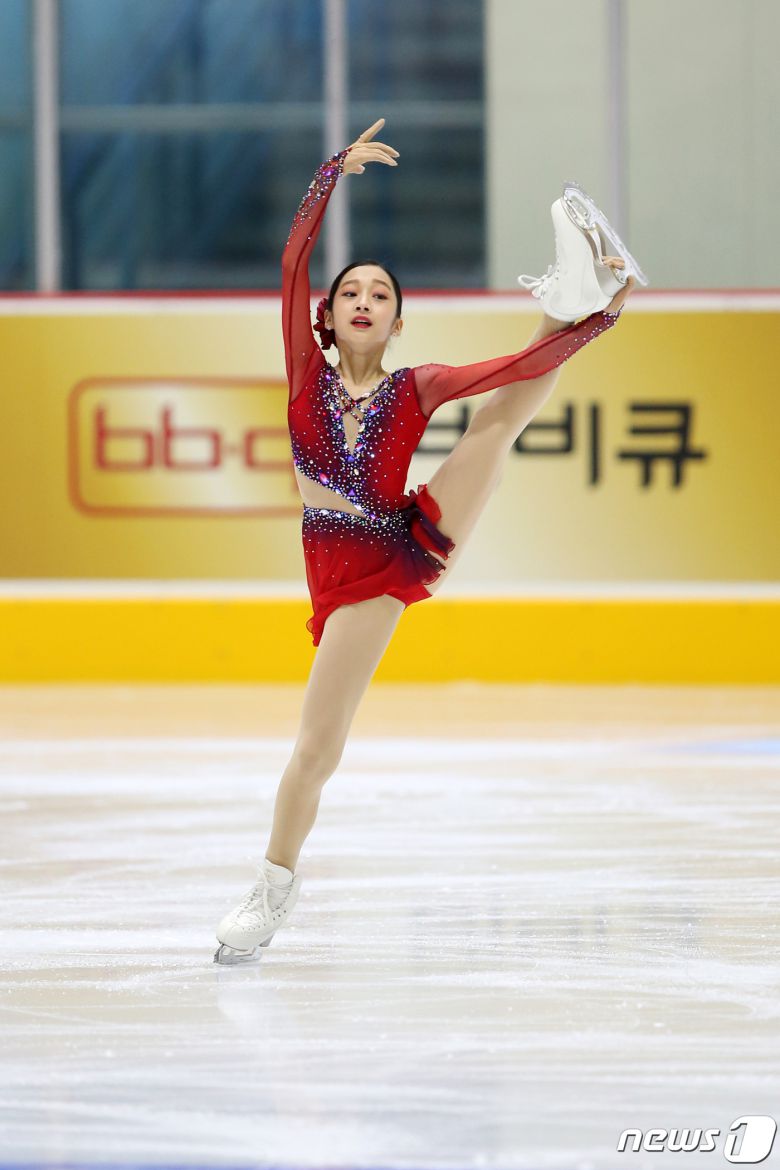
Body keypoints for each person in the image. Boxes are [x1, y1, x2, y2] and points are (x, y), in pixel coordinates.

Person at [214, 119, 639, 964]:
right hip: (338, 573)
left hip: (396, 554)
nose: (363, 300)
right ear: (328, 315)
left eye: (380, 294)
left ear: (397, 320)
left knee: (494, 428)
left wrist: (596, 325)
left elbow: (511, 374)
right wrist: (331, 171)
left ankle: (570, 298)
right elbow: (293, 262)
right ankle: (273, 888)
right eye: (351, 291)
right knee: (316, 747)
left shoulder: (417, 386)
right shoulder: (304, 374)